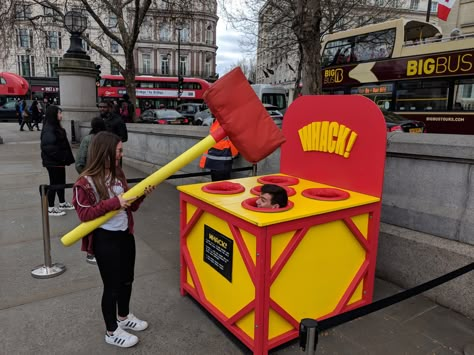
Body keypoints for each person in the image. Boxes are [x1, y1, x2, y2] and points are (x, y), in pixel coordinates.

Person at [72, 131, 155, 348]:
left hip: (125, 235)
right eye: (118, 151)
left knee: (127, 279)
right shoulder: (84, 182)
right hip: (104, 240)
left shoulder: (118, 174)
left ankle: (124, 317)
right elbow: (85, 215)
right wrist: (116, 201)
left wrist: (142, 193)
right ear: (105, 151)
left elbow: (132, 207)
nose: (121, 155)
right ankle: (111, 331)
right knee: (112, 286)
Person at [40, 105, 75, 216]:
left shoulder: (54, 127)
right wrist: (62, 157)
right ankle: (50, 207)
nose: (61, 115)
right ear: (54, 115)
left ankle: (62, 202)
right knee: (54, 184)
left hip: (58, 162)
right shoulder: (49, 129)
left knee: (60, 183)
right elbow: (48, 147)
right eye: (59, 113)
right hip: (54, 162)